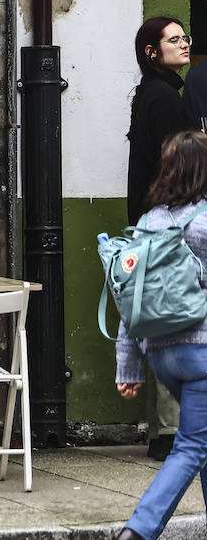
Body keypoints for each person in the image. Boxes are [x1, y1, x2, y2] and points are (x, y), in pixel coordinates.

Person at [114, 130, 207, 540]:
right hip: (202, 351)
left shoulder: (148, 223)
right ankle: (138, 530)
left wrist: (128, 365)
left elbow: (129, 298)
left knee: (203, 443)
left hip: (161, 355)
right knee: (190, 447)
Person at [128, 17, 195, 460]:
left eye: (185, 37)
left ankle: (165, 431)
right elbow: (181, 168)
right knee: (180, 323)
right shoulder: (166, 99)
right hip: (174, 224)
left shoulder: (151, 94)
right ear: (153, 51)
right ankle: (172, 434)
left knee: (163, 320)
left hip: (153, 223)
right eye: (174, 40)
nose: (185, 44)